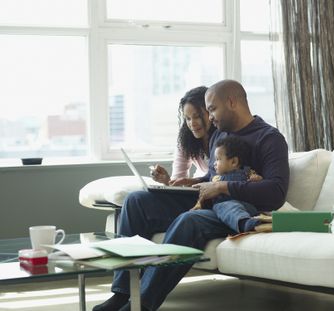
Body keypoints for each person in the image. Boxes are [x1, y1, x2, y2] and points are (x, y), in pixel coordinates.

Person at [93, 79, 290, 311]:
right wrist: (195, 182)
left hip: (237, 210)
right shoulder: (219, 135)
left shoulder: (269, 138)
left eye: (212, 109)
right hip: (209, 200)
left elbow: (276, 193)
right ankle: (122, 293)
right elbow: (215, 178)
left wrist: (222, 188)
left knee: (190, 220)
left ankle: (141, 305)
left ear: (232, 102)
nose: (210, 117)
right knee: (136, 201)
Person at [191, 135, 265, 234]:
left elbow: (261, 184)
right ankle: (247, 223)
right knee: (224, 206)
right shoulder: (216, 179)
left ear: (234, 162)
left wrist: (257, 179)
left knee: (227, 206)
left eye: (218, 159)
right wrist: (198, 205)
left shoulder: (247, 172)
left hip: (247, 207)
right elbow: (204, 195)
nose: (214, 163)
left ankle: (246, 223)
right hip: (226, 209)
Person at [150, 86, 215, 186]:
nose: (192, 124)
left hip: (210, 189)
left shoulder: (223, 136)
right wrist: (167, 180)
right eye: (188, 118)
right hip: (195, 190)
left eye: (197, 117)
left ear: (210, 112)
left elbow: (221, 179)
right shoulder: (186, 139)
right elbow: (178, 181)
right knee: (136, 196)